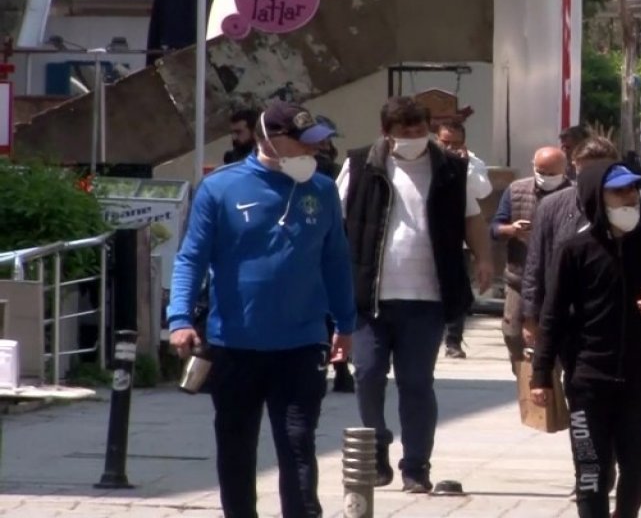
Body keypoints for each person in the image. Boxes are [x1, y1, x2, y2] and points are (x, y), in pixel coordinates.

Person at [168, 101, 355, 518]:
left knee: (297, 443)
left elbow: (336, 261)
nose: (315, 151)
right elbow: (191, 258)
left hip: (302, 342)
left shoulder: (322, 190)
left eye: (317, 142)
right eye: (303, 143)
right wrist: (179, 318)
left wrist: (346, 323)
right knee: (235, 447)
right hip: (234, 343)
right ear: (268, 138)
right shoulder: (220, 188)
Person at [335, 98, 493, 493]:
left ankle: (416, 467)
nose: (412, 138)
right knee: (368, 375)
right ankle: (376, 449)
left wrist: (484, 258)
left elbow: (473, 217)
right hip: (371, 296)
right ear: (386, 131)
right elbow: (337, 220)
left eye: (418, 130)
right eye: (403, 131)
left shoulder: (451, 170)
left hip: (428, 296)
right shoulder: (360, 165)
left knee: (417, 382)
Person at [529, 162, 641, 518]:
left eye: (632, 190)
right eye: (619, 191)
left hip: (640, 378)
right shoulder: (574, 250)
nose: (629, 197)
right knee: (591, 470)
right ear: (596, 198)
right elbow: (552, 315)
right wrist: (541, 375)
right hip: (588, 379)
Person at [520, 137, 641, 346]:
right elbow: (536, 262)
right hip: (569, 313)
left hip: (624, 311)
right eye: (586, 172)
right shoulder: (552, 206)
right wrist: (530, 316)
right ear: (574, 168)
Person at [490, 146, 572, 365]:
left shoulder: (575, 194)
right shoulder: (516, 190)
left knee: (558, 336)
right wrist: (512, 230)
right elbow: (495, 228)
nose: (544, 178)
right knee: (513, 332)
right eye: (540, 171)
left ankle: (552, 377)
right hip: (520, 277)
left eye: (551, 173)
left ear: (565, 170)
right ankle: (525, 377)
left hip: (561, 281)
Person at [433, 119, 494, 359]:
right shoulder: (424, 161)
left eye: (455, 143)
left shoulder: (472, 163)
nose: (449, 147)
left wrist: (463, 165)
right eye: (445, 142)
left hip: (458, 234)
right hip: (431, 233)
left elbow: (483, 191)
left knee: (457, 286)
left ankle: (454, 340)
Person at [310, 114, 354, 393]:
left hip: (335, 243)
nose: (325, 145)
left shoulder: (336, 171)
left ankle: (340, 366)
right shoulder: (302, 170)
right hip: (309, 246)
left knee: (334, 307)